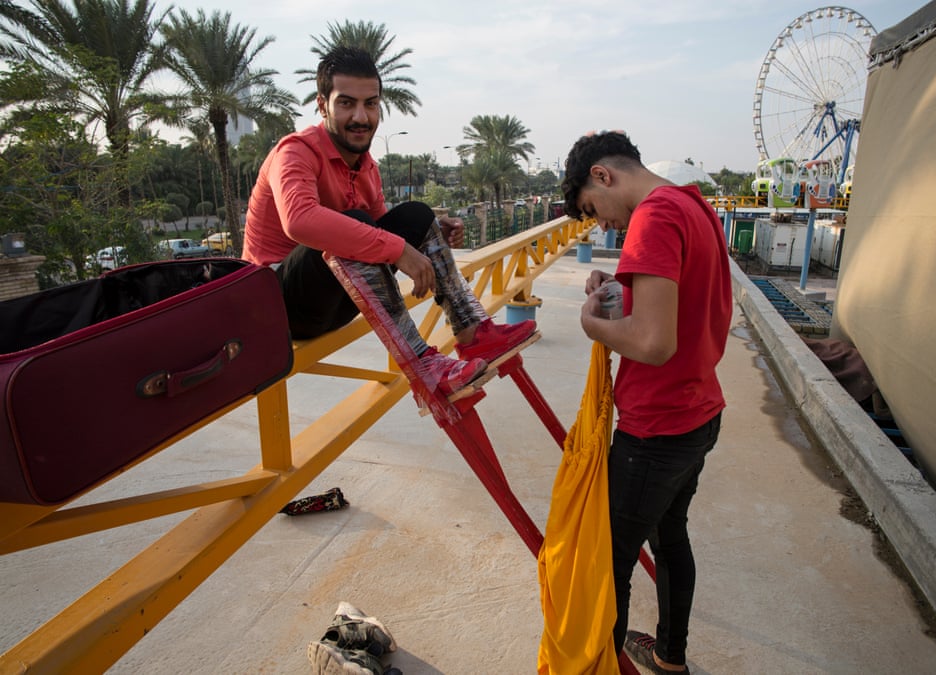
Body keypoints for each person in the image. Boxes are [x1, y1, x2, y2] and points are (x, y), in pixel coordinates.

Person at [243, 46, 535, 397]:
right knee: (351, 225)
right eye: (346, 103)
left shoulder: (367, 167)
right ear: (322, 105)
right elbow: (300, 220)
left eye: (370, 104)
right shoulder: (295, 152)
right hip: (279, 309)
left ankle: (474, 334)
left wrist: (427, 235)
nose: (361, 117)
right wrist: (399, 250)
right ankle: (421, 364)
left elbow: (382, 227)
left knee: (416, 214)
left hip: (335, 301)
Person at [561, 131, 731, 674]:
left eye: (594, 209)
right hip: (699, 414)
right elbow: (680, 302)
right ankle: (670, 656)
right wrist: (621, 289)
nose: (604, 225)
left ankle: (604, 665)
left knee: (609, 563)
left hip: (655, 430)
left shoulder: (652, 218)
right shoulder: (691, 205)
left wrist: (593, 323)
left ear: (603, 176)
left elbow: (654, 344)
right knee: (670, 534)